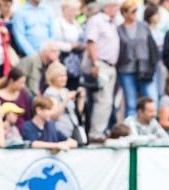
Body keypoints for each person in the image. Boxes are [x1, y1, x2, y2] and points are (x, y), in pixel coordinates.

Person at [85, 0, 120, 142]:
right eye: (114, 6)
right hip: (102, 65)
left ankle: (102, 130)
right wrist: (96, 63)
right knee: (102, 100)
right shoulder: (96, 21)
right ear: (106, 7)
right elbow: (91, 42)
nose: (116, 9)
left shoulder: (112, 23)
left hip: (111, 66)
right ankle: (96, 133)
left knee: (108, 101)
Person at [116, 0, 158, 118]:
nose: (135, 14)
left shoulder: (143, 26)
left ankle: (152, 126)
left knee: (151, 98)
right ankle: (131, 130)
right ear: (124, 13)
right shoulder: (118, 29)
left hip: (145, 68)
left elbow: (152, 46)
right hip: (126, 69)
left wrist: (153, 65)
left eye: (136, 11)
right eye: (132, 11)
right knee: (131, 103)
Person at [42, 60, 86, 144]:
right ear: (53, 77)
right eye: (60, 76)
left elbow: (77, 112)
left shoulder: (66, 91)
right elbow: (52, 116)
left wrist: (81, 98)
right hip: (60, 132)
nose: (64, 78)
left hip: (73, 131)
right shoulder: (50, 93)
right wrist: (66, 100)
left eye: (65, 75)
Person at [56, 0, 84, 89]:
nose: (76, 13)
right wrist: (71, 46)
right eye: (74, 10)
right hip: (64, 60)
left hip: (77, 61)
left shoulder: (76, 24)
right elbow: (55, 43)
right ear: (66, 10)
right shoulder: (58, 22)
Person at [0, 67, 31, 131]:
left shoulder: (23, 94)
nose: (22, 85)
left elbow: (28, 115)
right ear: (11, 80)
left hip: (24, 129)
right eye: (20, 82)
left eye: (23, 83)